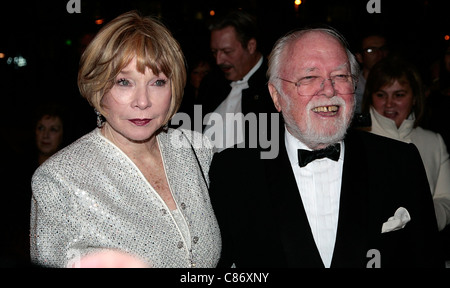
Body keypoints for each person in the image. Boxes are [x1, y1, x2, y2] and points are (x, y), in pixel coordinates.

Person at [208, 26, 444, 268]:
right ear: (276, 96)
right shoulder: (233, 172)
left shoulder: (399, 161)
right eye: (310, 78)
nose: (330, 90)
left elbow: (427, 259)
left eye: (341, 76)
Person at [30, 11, 221, 268]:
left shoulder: (196, 149)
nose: (142, 101)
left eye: (158, 82)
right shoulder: (59, 179)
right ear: (98, 86)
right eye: (124, 82)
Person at [361, 56, 450, 232]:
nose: (389, 104)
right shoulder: (357, 141)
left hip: (420, 249)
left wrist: (420, 220)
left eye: (399, 95)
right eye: (381, 95)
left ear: (415, 98)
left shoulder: (433, 141)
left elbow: (446, 199)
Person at [199, 10, 277, 152]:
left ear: (251, 46)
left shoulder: (275, 87)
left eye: (227, 51)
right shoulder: (211, 83)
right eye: (214, 52)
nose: (218, 60)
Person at [354, 32, 389, 114]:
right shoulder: (352, 88)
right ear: (359, 57)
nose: (379, 54)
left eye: (383, 49)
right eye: (370, 50)